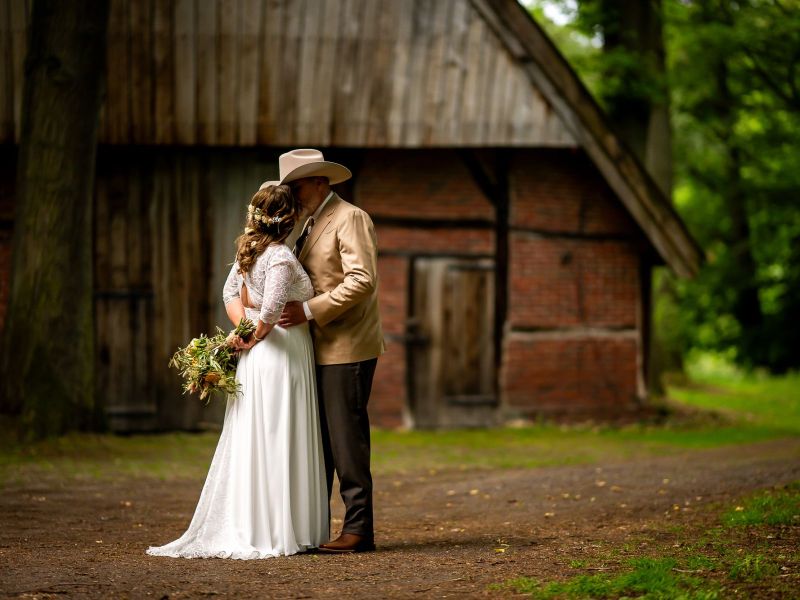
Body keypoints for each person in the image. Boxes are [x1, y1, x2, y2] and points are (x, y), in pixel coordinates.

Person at [146, 184, 327, 559]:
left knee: (261, 430)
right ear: (290, 219)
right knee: (279, 430)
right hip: (280, 353)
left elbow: (230, 295)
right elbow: (271, 311)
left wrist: (243, 332)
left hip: (259, 352)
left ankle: (260, 519)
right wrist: (253, 334)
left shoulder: (250, 249)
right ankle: (277, 528)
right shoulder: (279, 257)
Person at [276, 149, 385, 553]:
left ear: (320, 182)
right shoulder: (310, 223)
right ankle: (315, 526)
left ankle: (359, 529)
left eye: (296, 186)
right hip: (318, 347)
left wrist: (307, 311)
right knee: (319, 442)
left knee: (346, 440)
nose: (291, 195)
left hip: (347, 346)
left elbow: (361, 280)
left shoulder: (350, 217)